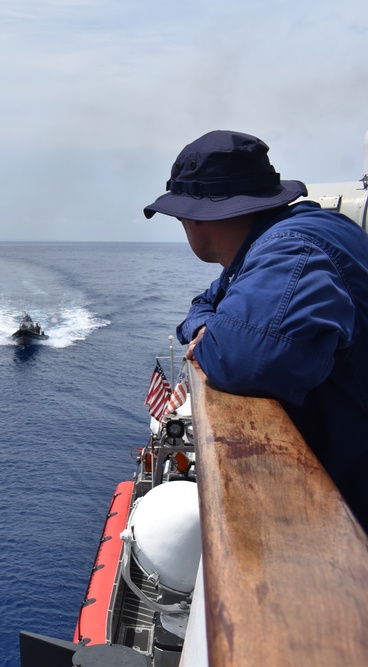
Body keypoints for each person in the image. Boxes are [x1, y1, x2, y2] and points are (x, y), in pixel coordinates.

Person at [143, 129, 368, 530]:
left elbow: (247, 358)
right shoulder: (275, 243)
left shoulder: (291, 251)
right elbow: (202, 305)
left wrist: (214, 335)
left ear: (194, 219)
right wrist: (210, 325)